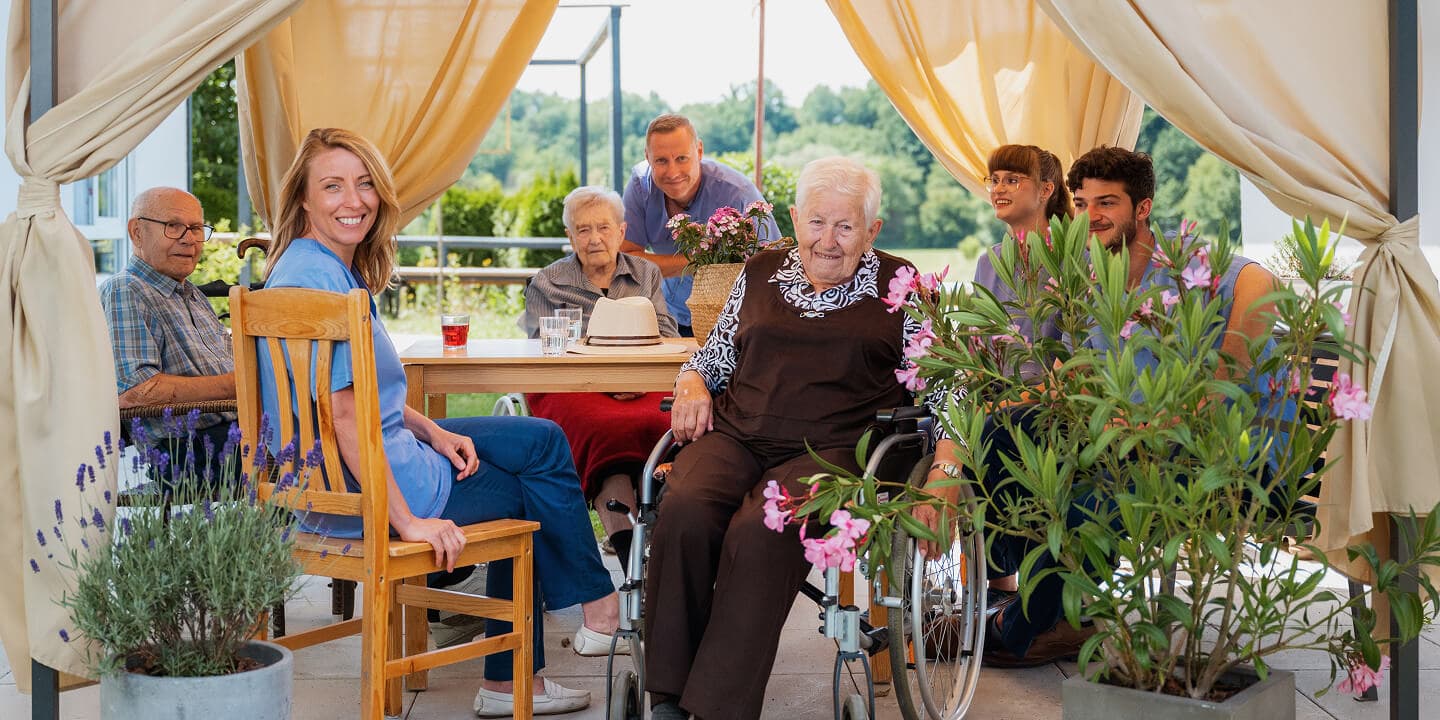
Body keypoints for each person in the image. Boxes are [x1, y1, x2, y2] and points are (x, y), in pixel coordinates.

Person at [257, 127, 625, 717]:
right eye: (332, 186)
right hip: (371, 485)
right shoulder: (322, 284)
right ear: (303, 198)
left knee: (542, 439)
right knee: (528, 494)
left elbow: (355, 395)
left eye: (364, 184)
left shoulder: (309, 268)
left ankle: (591, 605)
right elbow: (346, 416)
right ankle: (561, 638)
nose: (354, 200)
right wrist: (407, 522)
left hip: (358, 465)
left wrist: (435, 430)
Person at [920, 146, 1283, 668]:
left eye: (1107, 202)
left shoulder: (1182, 262)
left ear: (1143, 208)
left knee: (1080, 497)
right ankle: (1036, 600)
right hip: (1117, 440)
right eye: (1084, 202)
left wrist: (1215, 383)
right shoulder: (1092, 281)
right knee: (1003, 434)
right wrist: (956, 449)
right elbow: (1070, 375)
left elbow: (1259, 282)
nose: (1092, 215)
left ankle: (1016, 624)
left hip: (1199, 449)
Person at [647, 156, 925, 720]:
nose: (828, 240)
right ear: (795, 219)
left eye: (846, 227)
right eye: (817, 223)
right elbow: (715, 355)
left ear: (872, 230)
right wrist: (693, 383)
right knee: (686, 509)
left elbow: (944, 386)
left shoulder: (902, 285)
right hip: (738, 434)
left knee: (761, 530)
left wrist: (944, 468)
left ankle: (716, 708)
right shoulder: (758, 272)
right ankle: (670, 698)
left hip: (839, 450)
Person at [521, 185, 678, 572]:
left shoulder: (646, 273)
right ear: (569, 236)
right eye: (583, 229)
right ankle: (631, 557)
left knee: (666, 420)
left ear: (622, 231)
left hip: (641, 382)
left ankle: (667, 535)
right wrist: (606, 380)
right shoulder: (548, 281)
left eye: (604, 228)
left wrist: (635, 378)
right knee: (602, 429)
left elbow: (667, 335)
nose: (594, 239)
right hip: (573, 385)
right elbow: (544, 349)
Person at [970, 145, 1074, 598]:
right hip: (998, 397)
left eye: (1012, 179)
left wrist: (1009, 400)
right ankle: (996, 587)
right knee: (953, 428)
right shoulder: (989, 261)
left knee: (994, 426)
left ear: (1046, 190)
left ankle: (1012, 588)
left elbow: (1075, 351)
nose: (999, 189)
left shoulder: (1076, 257)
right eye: (995, 180)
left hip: (1055, 402)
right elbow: (976, 344)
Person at [99, 187, 234, 480]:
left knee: (331, 426)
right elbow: (135, 393)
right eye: (174, 227)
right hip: (184, 450)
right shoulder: (125, 290)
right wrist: (236, 385)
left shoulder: (191, 293)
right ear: (137, 232)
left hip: (233, 432)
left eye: (196, 228)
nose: (189, 239)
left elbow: (235, 360)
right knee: (316, 449)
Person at [621, 113, 779, 335]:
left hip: (736, 321)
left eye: (682, 158)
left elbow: (770, 268)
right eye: (661, 161)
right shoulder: (640, 187)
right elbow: (626, 260)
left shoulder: (739, 195)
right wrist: (698, 262)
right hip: (671, 318)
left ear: (700, 151)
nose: (673, 172)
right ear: (648, 157)